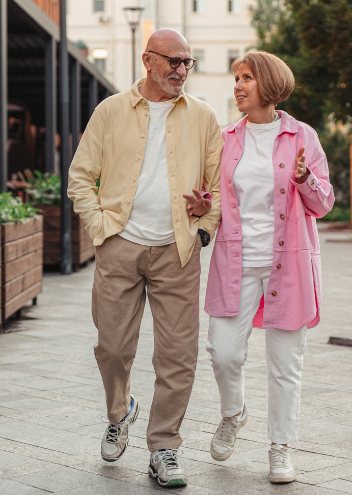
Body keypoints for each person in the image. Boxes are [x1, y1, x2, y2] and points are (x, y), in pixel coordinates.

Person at [67, 29, 221, 488]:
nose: (181, 70)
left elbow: (218, 187)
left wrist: (203, 225)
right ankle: (120, 412)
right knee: (112, 346)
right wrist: (101, 229)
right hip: (120, 245)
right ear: (147, 60)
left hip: (178, 250)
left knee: (178, 356)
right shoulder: (110, 111)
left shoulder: (204, 117)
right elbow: (80, 177)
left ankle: (164, 448)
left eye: (188, 62)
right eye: (173, 61)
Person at [202, 51, 334, 484]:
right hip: (235, 262)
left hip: (287, 266)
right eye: (236, 78)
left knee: (285, 364)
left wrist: (304, 180)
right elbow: (215, 199)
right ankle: (233, 412)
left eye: (247, 78)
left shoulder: (303, 137)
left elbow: (324, 204)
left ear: (270, 85)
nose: (238, 86)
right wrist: (204, 205)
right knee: (223, 354)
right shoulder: (226, 139)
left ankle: (281, 447)